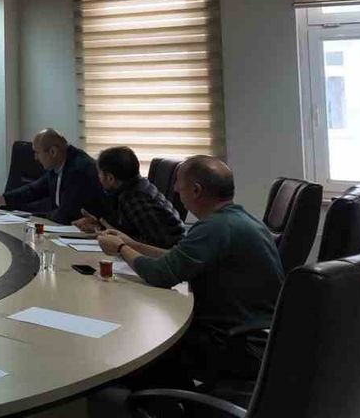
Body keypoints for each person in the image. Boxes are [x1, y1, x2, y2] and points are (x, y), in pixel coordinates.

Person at [97, 156, 284, 385]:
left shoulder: (214, 228)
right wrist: (133, 244)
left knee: (141, 346)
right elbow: (177, 258)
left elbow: (160, 274)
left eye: (179, 182)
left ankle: (160, 400)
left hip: (235, 346)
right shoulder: (235, 219)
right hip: (254, 337)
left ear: (196, 190)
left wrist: (121, 248)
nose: (175, 189)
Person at [0, 128, 105, 224]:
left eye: (37, 152)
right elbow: (33, 190)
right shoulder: (59, 163)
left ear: (52, 151)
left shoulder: (79, 169)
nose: (35, 158)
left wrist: (26, 216)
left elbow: (65, 215)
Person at [72, 146, 185, 249]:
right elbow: (133, 231)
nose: (99, 178)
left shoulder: (134, 198)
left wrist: (114, 237)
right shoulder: (135, 187)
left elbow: (158, 246)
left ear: (110, 178)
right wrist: (99, 227)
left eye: (100, 174)